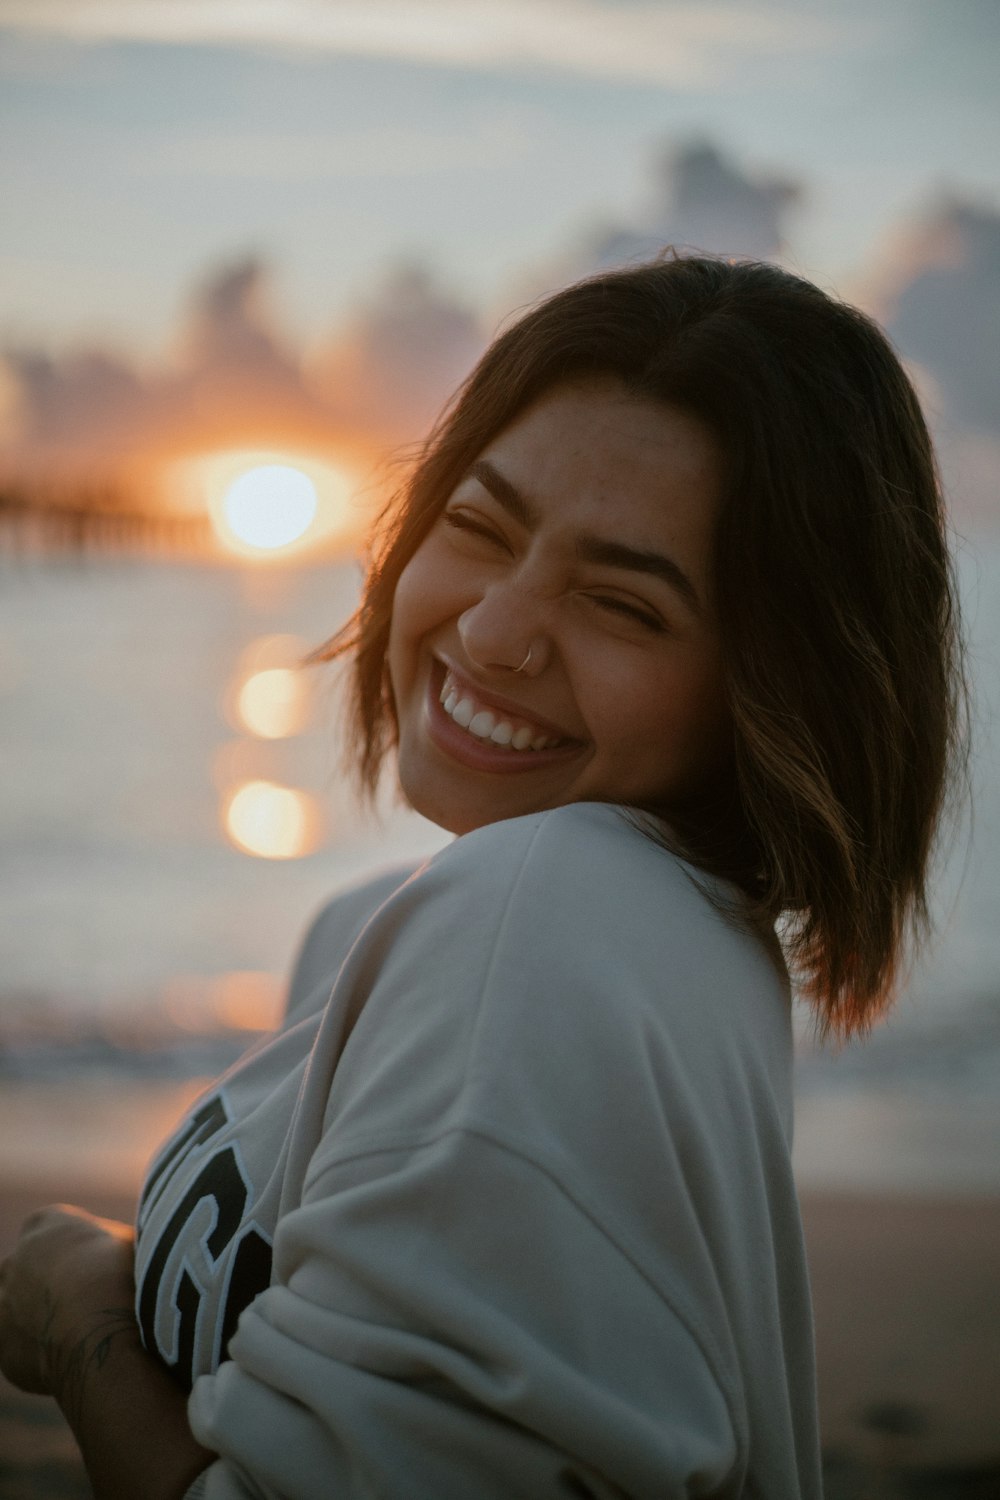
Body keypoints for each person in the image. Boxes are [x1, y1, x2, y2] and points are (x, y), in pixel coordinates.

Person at [0, 254, 965, 1499]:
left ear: (776, 691)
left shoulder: (548, 927)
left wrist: (84, 1327)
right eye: (477, 525)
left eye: (621, 602)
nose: (495, 630)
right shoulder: (544, 935)